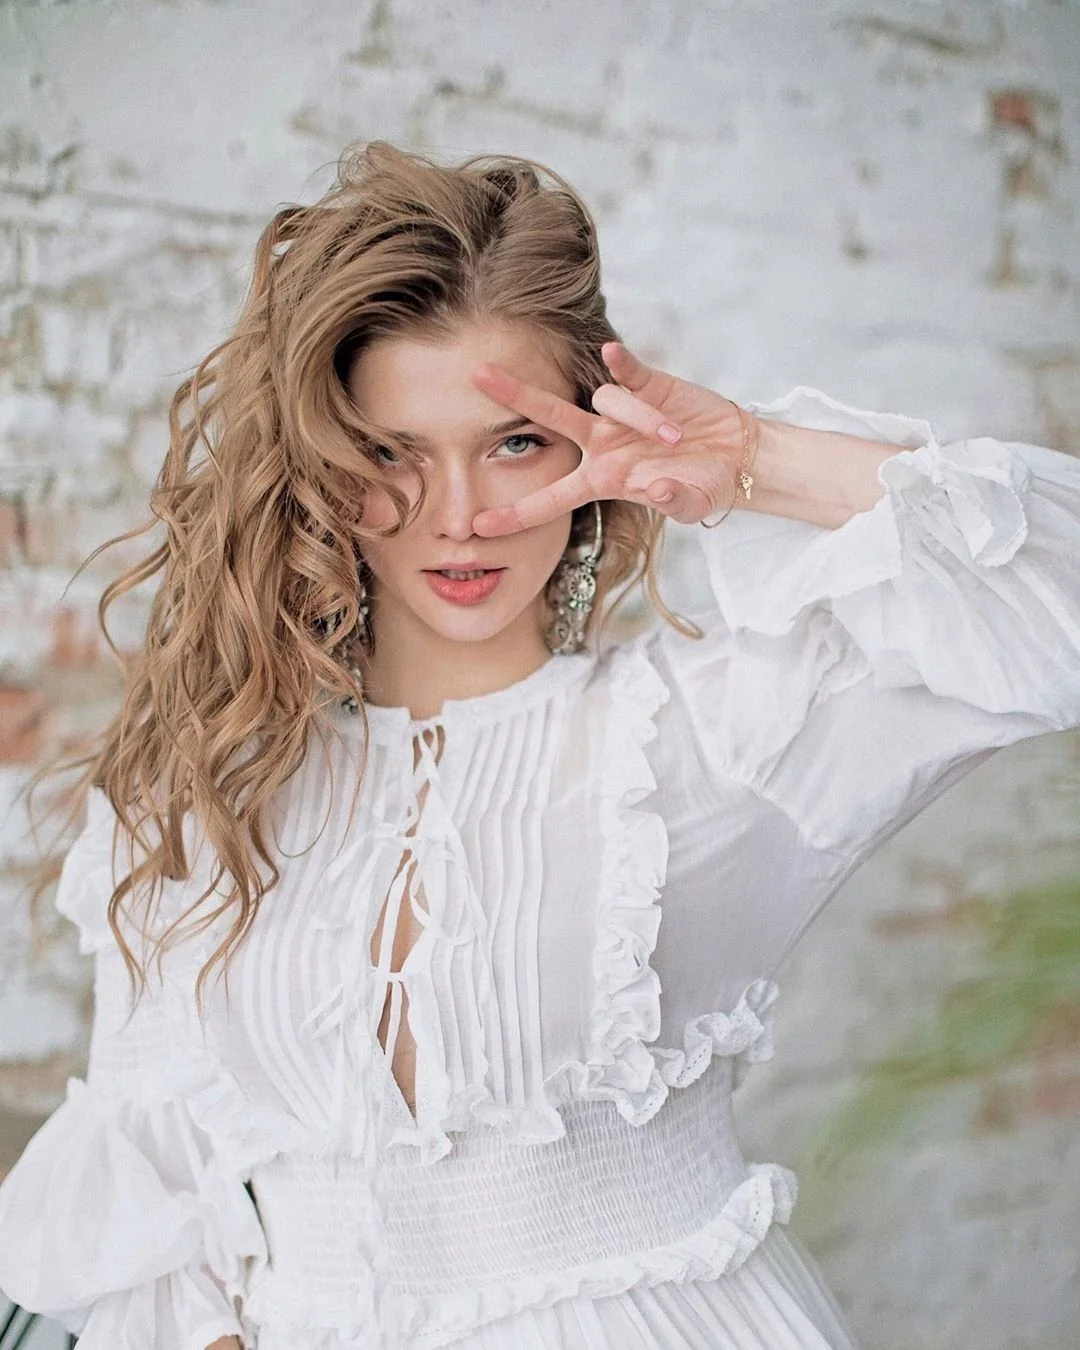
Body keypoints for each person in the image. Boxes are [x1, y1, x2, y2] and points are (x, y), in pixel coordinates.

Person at [0, 139, 1078, 1350]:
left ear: (589, 443)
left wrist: (754, 459)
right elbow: (149, 1187)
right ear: (318, 471)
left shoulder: (715, 737)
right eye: (392, 454)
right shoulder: (202, 795)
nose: (460, 517)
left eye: (513, 441)